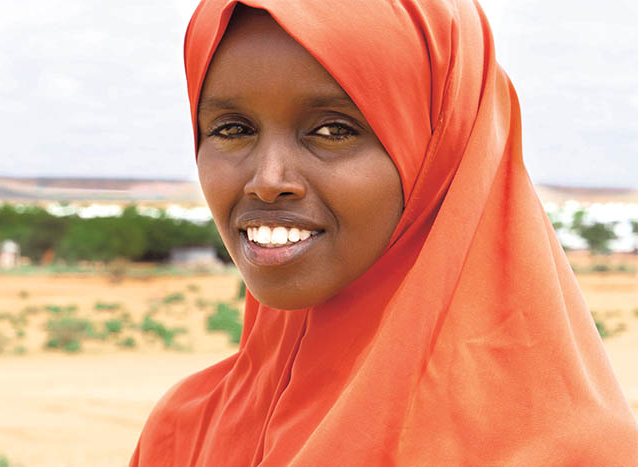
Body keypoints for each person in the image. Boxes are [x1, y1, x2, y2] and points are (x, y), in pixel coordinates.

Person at [130, 0, 638, 465]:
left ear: (443, 154)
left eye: (333, 130)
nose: (267, 181)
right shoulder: (186, 433)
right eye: (232, 129)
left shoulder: (565, 453)